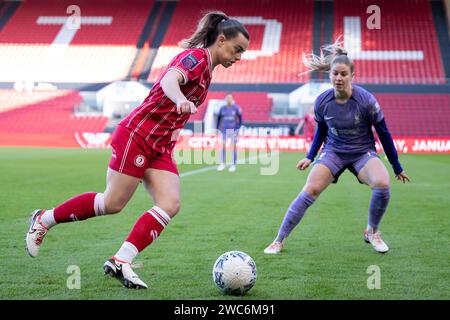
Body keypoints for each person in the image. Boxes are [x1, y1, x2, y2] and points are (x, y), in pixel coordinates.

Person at [25, 11, 250, 289]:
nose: (239, 56)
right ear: (221, 39)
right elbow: (169, 80)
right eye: (237, 49)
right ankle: (43, 219)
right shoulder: (194, 58)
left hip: (160, 145)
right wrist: (180, 99)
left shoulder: (208, 71)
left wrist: (175, 128)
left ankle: (121, 260)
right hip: (138, 135)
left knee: (170, 203)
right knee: (112, 204)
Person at [264, 40, 410, 255]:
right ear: (330, 75)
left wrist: (396, 166)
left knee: (382, 184)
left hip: (362, 152)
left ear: (352, 76)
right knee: (310, 190)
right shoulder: (322, 102)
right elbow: (321, 131)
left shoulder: (367, 101)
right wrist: (310, 156)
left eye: (343, 74)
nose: (339, 78)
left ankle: (372, 231)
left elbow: (384, 133)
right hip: (333, 151)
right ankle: (278, 240)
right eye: (335, 74)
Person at [216, 93, 242, 172]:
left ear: (232, 99)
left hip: (233, 130)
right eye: (227, 98)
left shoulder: (236, 108)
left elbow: (240, 119)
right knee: (223, 146)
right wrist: (218, 129)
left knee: (233, 147)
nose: (228, 100)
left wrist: (238, 128)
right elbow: (218, 119)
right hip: (224, 130)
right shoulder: (222, 108)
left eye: (230, 98)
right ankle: (222, 164)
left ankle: (233, 165)